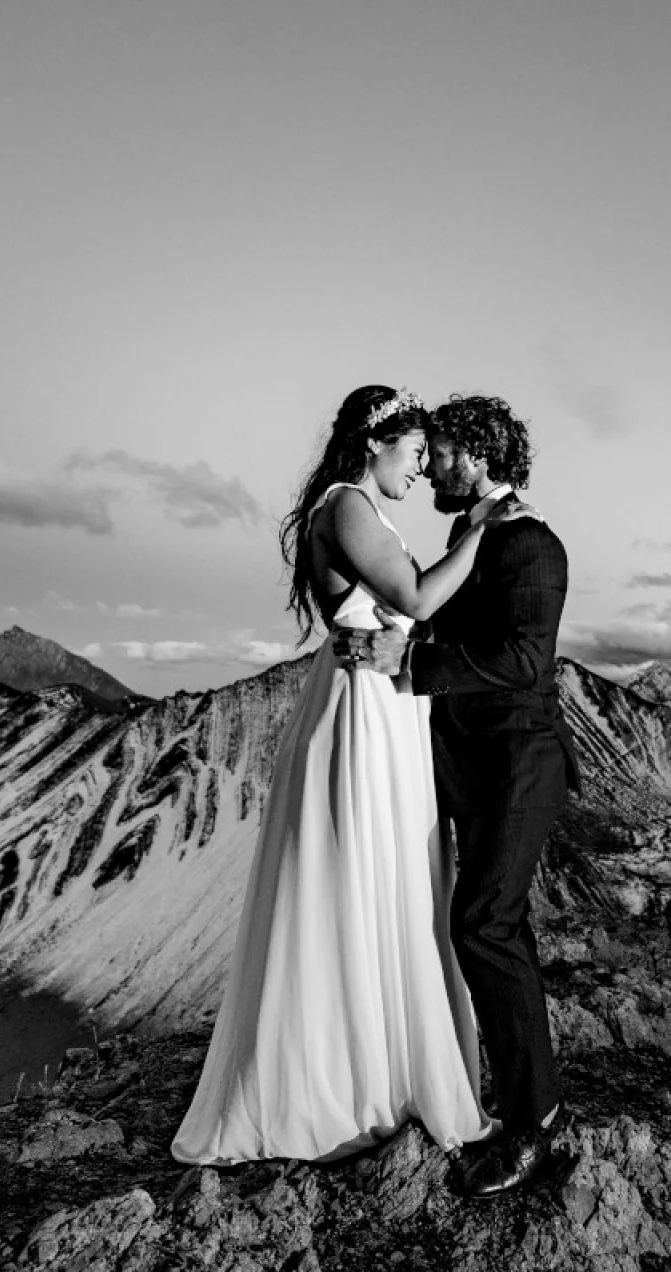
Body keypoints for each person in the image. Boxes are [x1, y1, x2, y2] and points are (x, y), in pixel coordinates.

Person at [170, 384, 535, 1166]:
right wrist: (480, 527)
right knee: (358, 882)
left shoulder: (364, 511)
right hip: (362, 717)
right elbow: (415, 596)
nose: (420, 468)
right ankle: (337, 1085)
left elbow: (408, 609)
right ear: (374, 445)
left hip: (388, 710)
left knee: (392, 883)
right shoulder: (347, 508)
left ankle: (382, 1073)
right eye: (411, 453)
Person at [335, 394, 578, 1199]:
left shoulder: (534, 544)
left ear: (474, 455)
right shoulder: (476, 536)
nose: (429, 466)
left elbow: (524, 663)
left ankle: (533, 1126)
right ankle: (529, 1101)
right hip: (471, 765)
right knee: (497, 926)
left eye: (438, 452)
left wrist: (412, 663)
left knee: (482, 925)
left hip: (517, 767)